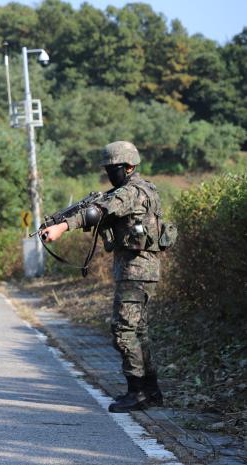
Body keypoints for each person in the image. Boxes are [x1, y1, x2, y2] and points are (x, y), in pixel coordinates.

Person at [41, 141, 165, 413]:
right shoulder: (139, 190)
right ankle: (150, 390)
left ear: (130, 167)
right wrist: (60, 218)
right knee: (138, 331)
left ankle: (137, 392)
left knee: (124, 331)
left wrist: (62, 227)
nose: (110, 173)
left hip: (137, 271)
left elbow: (99, 211)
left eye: (114, 168)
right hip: (138, 270)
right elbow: (98, 209)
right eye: (108, 169)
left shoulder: (131, 192)